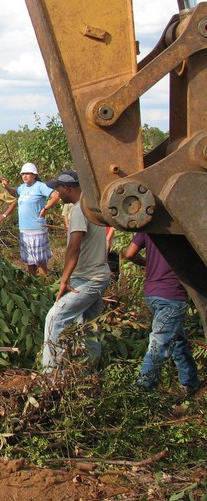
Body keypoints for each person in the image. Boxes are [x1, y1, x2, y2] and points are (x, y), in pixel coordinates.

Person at [41, 170, 110, 373]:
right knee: (89, 325)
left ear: (67, 189)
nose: (55, 194)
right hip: (99, 274)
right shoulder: (92, 206)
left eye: (57, 190)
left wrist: (64, 279)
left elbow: (74, 247)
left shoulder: (79, 210)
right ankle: (89, 372)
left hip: (90, 278)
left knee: (55, 318)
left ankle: (51, 375)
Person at [124, 233, 201, 397]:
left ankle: (190, 382)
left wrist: (147, 263)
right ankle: (141, 391)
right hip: (173, 295)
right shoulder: (183, 231)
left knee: (177, 339)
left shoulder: (150, 228)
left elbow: (129, 253)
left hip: (152, 294)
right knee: (160, 343)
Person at [1, 162, 56, 277]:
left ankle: (44, 284)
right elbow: (15, 193)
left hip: (36, 228)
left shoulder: (40, 186)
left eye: (28, 174)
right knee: (30, 261)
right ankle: (33, 283)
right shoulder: (23, 187)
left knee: (40, 261)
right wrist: (6, 186)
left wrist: (45, 208)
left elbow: (56, 195)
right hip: (24, 229)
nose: (25, 176)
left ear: (34, 175)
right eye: (23, 174)